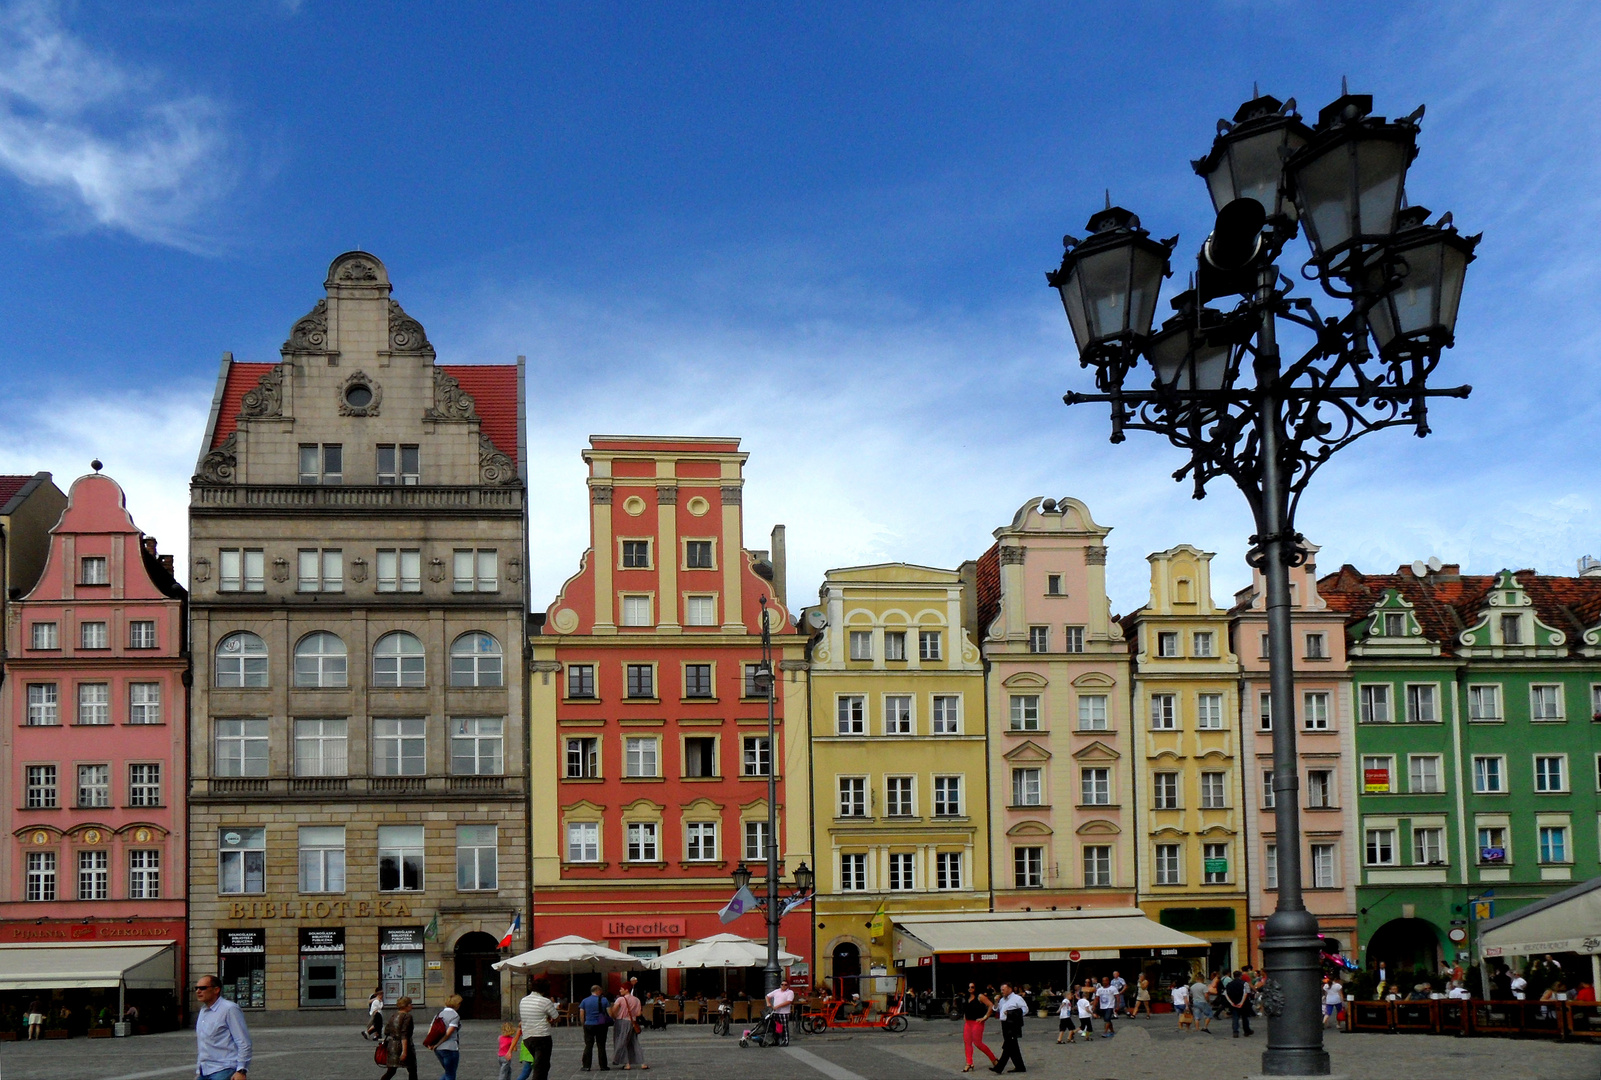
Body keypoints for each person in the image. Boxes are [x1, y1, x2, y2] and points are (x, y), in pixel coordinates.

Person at [194, 973, 252, 1080]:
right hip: (205, 1070)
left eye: (203, 988)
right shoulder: (203, 1011)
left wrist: (241, 1070)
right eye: (196, 988)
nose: (198, 991)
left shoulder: (229, 1009)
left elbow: (243, 1041)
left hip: (224, 1069)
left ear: (216, 990)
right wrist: (199, 1070)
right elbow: (203, 1044)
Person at [518, 978, 559, 1080]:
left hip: (527, 1037)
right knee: (540, 1067)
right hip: (541, 1036)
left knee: (542, 1064)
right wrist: (551, 1021)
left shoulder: (523, 1000)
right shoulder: (545, 1001)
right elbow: (556, 1017)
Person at [990, 981, 1027, 1074]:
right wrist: (996, 1001)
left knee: (1008, 1045)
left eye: (1003, 989)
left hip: (1013, 1024)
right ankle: (1020, 1066)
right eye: (1001, 989)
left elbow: (1025, 1010)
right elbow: (996, 1009)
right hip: (1004, 1024)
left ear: (1010, 989)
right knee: (1013, 1046)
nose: (1002, 991)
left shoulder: (1017, 999)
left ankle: (999, 1067)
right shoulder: (1002, 1000)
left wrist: (1012, 1013)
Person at [960, 982, 998, 1072]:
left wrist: (985, 1017)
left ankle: (994, 1059)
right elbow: (966, 1008)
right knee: (967, 1042)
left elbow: (991, 1005)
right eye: (969, 987)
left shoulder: (980, 996)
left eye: (972, 987)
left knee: (978, 1043)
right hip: (968, 1022)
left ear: (975, 988)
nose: (970, 989)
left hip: (977, 1022)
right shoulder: (966, 997)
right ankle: (969, 1063)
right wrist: (965, 1016)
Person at [610, 979, 645, 1070]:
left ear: (627, 990)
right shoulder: (637, 1000)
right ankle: (642, 1063)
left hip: (622, 1021)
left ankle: (625, 1062)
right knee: (634, 1042)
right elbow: (639, 1014)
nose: (620, 990)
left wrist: (614, 1016)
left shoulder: (621, 999)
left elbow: (613, 1009)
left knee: (621, 1041)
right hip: (632, 1022)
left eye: (622, 989)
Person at [379, 996, 417, 1080]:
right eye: (410, 1004)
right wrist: (404, 1051)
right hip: (403, 1046)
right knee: (412, 1070)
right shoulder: (407, 1017)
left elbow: (386, 1031)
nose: (412, 1006)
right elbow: (404, 1034)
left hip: (392, 1045)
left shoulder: (393, 1015)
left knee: (391, 1070)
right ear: (406, 1005)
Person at [578, 984, 611, 1071]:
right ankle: (603, 1065)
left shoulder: (584, 1001)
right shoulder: (604, 1000)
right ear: (598, 991)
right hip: (601, 1024)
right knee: (601, 1045)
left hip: (589, 1024)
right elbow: (609, 1013)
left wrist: (583, 1023)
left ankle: (586, 1065)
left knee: (588, 1045)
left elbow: (581, 1014)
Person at [429, 995, 463, 1080]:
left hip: (438, 1050)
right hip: (450, 1047)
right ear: (457, 1004)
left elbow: (431, 1030)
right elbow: (449, 1033)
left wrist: (431, 1043)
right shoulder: (454, 1015)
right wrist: (438, 1043)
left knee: (448, 1072)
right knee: (451, 1074)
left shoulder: (438, 1014)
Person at [1224, 970, 1253, 1038]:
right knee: (1245, 1017)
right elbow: (1246, 993)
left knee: (1235, 1017)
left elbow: (1225, 993)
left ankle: (1235, 1031)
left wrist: (1231, 1003)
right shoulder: (1244, 983)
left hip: (1234, 1002)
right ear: (1240, 976)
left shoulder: (1229, 984)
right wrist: (1241, 1002)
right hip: (1244, 1003)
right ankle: (1246, 1031)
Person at [766, 982, 795, 1046]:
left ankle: (786, 1041)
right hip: (776, 1012)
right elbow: (768, 996)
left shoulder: (790, 992)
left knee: (784, 1027)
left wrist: (778, 1006)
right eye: (782, 984)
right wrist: (768, 1002)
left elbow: (789, 1001)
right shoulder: (777, 991)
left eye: (785, 985)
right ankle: (776, 1040)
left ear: (787, 986)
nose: (783, 986)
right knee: (776, 1027)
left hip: (784, 1012)